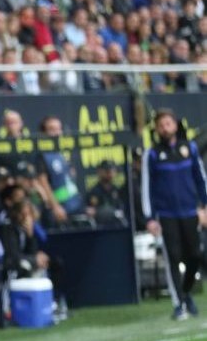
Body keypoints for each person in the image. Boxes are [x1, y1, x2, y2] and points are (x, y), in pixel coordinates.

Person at [141, 109, 207, 320]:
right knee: (173, 257)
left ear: (175, 125)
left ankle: (186, 292)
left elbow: (200, 178)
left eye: (168, 123)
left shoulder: (190, 148)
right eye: (161, 125)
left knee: (195, 256)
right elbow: (147, 187)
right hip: (167, 214)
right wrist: (150, 217)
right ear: (157, 129)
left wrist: (205, 205)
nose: (165, 128)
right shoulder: (151, 154)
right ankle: (179, 303)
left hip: (189, 210)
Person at [86, 160, 128, 226]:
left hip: (118, 226)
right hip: (100, 227)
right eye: (106, 171)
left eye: (111, 171)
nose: (109, 173)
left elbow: (122, 208)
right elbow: (90, 211)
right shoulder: (94, 192)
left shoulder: (117, 190)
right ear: (99, 171)